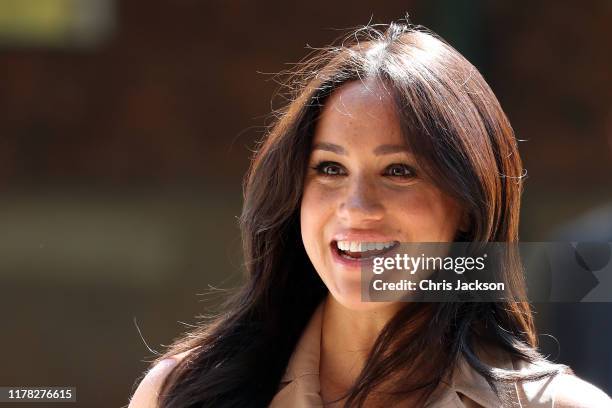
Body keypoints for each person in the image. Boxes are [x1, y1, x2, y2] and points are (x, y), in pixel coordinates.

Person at [128, 21, 612, 407]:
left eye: (399, 170)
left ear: (468, 205)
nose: (356, 208)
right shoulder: (179, 395)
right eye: (330, 168)